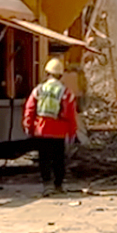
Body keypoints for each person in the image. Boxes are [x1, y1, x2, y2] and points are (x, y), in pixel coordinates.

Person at [23, 57, 79, 196]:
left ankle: (47, 185)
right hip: (59, 131)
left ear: (47, 73)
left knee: (44, 159)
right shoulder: (65, 92)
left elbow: (30, 109)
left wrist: (28, 126)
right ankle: (58, 185)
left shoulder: (38, 90)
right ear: (60, 75)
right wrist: (72, 132)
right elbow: (70, 113)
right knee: (59, 159)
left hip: (41, 129)